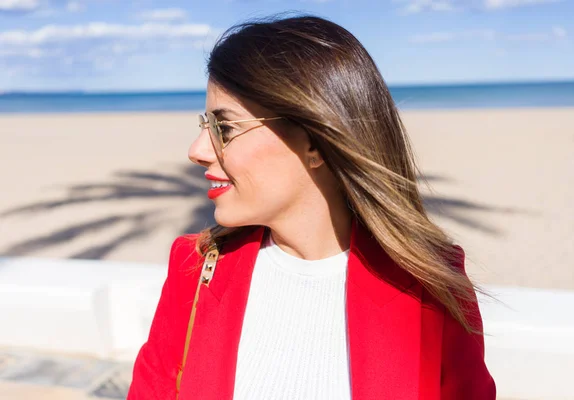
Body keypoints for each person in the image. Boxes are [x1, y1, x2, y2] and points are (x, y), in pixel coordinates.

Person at [128, 15, 496, 400]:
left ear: (314, 142)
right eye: (206, 125)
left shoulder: (430, 285)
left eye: (225, 128)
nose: (197, 151)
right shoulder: (195, 269)